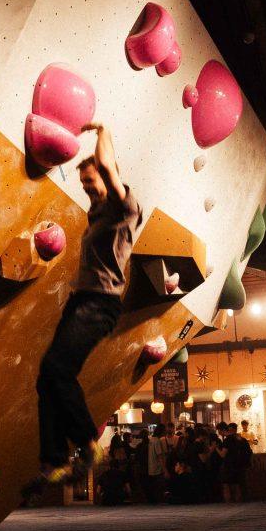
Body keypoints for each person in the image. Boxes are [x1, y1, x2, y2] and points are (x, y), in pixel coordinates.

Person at [22, 124, 142, 501]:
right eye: (84, 184)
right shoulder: (96, 214)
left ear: (109, 177)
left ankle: (89, 443)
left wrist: (103, 129)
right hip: (82, 301)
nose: (88, 188)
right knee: (47, 377)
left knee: (58, 370)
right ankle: (54, 461)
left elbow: (107, 165)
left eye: (91, 181)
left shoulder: (124, 208)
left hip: (101, 303)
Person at [146, 424, 169, 504]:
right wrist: (165, 470)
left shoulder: (151, 440)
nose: (166, 432)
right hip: (157, 468)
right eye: (165, 430)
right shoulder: (157, 441)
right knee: (159, 487)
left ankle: (155, 502)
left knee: (154, 488)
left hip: (151, 467)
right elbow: (159, 456)